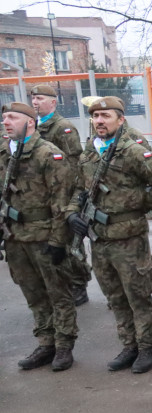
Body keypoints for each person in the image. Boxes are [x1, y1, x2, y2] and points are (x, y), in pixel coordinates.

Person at [66, 96, 152, 373]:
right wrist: (73, 212)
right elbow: (80, 187)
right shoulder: (90, 151)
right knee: (114, 296)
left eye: (106, 116)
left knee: (138, 295)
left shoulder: (133, 150)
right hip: (98, 237)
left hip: (128, 237)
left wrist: (138, 205)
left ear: (120, 120)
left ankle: (147, 347)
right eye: (96, 117)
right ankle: (129, 345)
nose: (99, 121)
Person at [0, 102, 78, 371]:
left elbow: (62, 200)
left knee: (58, 293)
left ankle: (64, 345)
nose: (6, 122)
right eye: (4, 118)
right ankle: (46, 342)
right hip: (15, 237)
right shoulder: (3, 153)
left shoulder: (48, 154)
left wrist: (59, 240)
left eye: (13, 118)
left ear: (30, 122)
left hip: (44, 235)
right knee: (33, 294)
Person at [29, 84, 90, 307]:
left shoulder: (63, 127)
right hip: (42, 194)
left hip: (63, 192)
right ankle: (62, 283)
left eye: (40, 98)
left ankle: (79, 284)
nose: (35, 102)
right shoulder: (33, 125)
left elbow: (74, 162)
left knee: (70, 240)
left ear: (53, 102)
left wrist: (74, 195)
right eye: (33, 98)